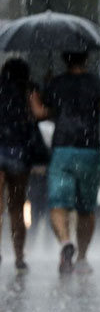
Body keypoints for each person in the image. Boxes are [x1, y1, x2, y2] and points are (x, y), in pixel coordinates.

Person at [42, 51, 100, 274]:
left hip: (62, 149)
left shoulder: (56, 84)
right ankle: (82, 257)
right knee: (86, 208)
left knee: (58, 205)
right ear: (86, 59)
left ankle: (64, 241)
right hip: (89, 152)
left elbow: (42, 112)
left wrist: (45, 86)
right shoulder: (99, 86)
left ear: (65, 59)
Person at [0, 58, 49, 273]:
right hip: (19, 153)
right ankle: (19, 256)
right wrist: (46, 89)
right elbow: (40, 114)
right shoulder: (28, 90)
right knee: (17, 209)